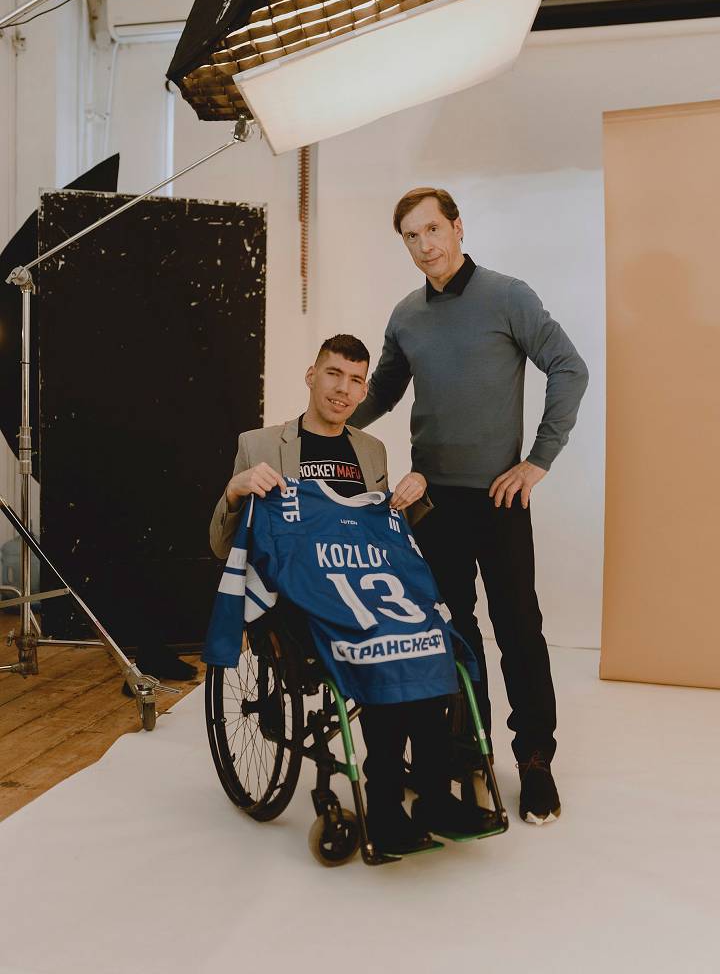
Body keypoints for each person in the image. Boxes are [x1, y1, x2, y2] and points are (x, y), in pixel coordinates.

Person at [351, 189, 589, 825]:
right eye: (411, 236)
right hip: (430, 502)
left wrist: (538, 459)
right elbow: (383, 392)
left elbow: (569, 367)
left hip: (499, 496)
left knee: (519, 630)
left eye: (433, 229)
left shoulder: (508, 296)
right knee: (451, 632)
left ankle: (534, 760)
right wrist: (321, 424)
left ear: (457, 227)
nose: (424, 245)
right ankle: (467, 752)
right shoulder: (406, 315)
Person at [209, 333, 490, 854]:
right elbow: (224, 544)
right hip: (298, 595)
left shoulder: (370, 450)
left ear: (364, 392)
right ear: (312, 375)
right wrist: (235, 489)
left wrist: (413, 496)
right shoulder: (260, 445)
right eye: (334, 374)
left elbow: (382, 537)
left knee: (427, 636)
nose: (343, 389)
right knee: (376, 644)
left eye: (356, 380)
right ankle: (383, 806)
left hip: (362, 584)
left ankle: (433, 795)